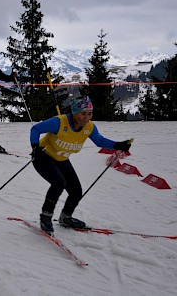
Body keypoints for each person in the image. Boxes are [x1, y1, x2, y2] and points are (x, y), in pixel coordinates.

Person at [30, 95, 132, 235]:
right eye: (83, 113)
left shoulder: (89, 127)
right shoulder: (59, 122)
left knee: (76, 191)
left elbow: (100, 141)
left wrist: (117, 145)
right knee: (59, 183)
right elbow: (35, 129)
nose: (86, 117)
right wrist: (35, 147)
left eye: (89, 113)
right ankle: (45, 217)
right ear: (74, 112)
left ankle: (66, 217)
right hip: (43, 157)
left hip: (61, 159)